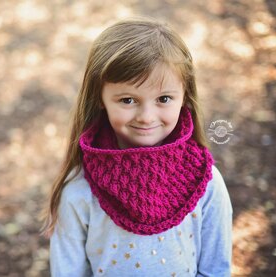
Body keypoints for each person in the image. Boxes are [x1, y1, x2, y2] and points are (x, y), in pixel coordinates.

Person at [41, 17, 233, 277]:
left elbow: (215, 269)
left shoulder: (206, 182)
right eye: (128, 99)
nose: (146, 116)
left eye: (163, 98)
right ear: (100, 98)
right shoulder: (79, 190)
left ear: (184, 96)